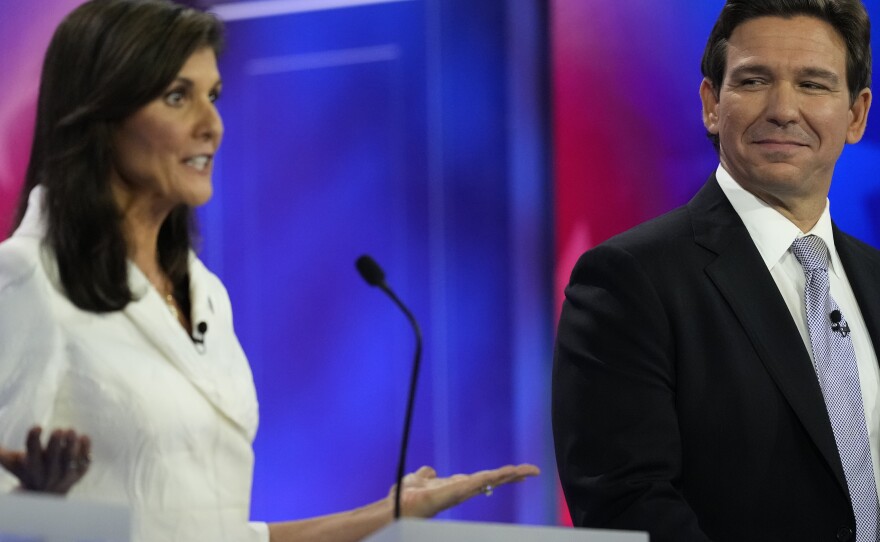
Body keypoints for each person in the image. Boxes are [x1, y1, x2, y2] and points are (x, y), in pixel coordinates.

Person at [0, 1, 538, 540]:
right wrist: (35, 507)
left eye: (213, 97)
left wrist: (386, 515)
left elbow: (223, 535)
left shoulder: (204, 293)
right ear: (101, 113)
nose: (212, 125)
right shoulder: (26, 280)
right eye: (177, 97)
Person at [552, 0, 880, 541]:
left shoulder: (874, 279)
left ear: (856, 115)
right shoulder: (628, 280)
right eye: (753, 80)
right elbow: (628, 502)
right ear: (711, 103)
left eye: (814, 84)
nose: (783, 109)